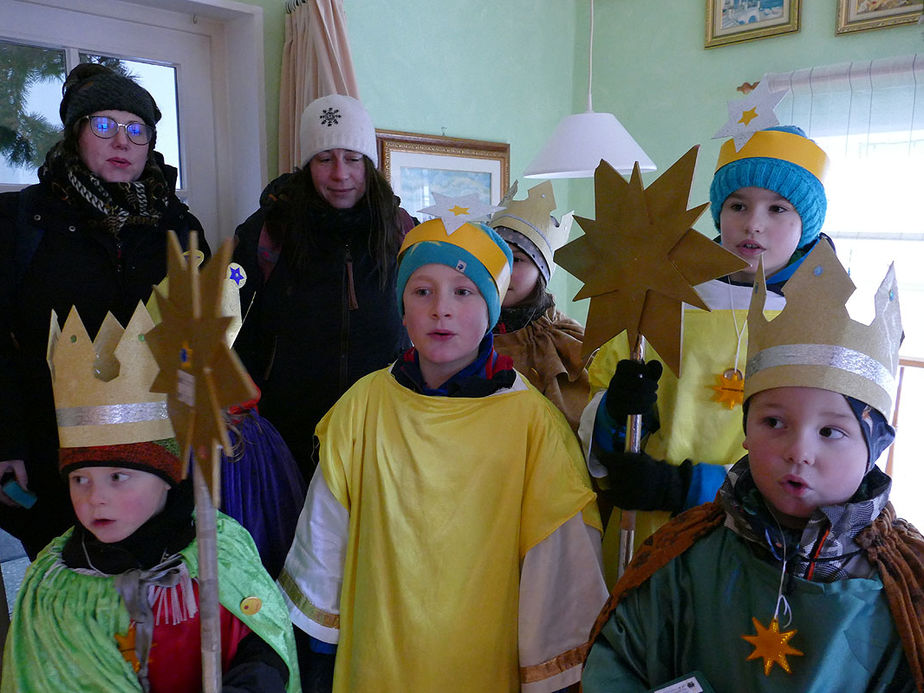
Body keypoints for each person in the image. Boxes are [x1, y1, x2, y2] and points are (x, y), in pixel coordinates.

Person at [278, 209, 608, 692]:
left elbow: (555, 556)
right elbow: (327, 527)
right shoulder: (364, 407)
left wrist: (548, 667)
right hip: (378, 651)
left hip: (481, 656)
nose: (441, 310)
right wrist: (321, 642)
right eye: (422, 291)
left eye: (463, 291)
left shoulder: (532, 424)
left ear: (492, 307)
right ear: (403, 307)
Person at [582, 242, 923, 692]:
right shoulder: (681, 556)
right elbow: (619, 662)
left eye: (831, 432)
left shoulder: (904, 583)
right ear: (746, 433)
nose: (798, 451)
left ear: (874, 447)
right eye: (774, 422)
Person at [1, 303, 299, 693]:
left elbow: (263, 644)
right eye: (79, 479)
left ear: (166, 480)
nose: (95, 497)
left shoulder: (220, 551)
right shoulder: (55, 589)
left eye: (118, 477)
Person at [584, 125, 832, 569]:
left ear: (807, 225)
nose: (753, 223)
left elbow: (825, 459)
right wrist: (616, 414)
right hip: (646, 530)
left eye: (778, 208)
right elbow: (600, 422)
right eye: (738, 205)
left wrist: (688, 488)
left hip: (752, 540)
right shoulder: (659, 296)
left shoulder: (821, 326)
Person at [0, 62, 207, 558]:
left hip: (156, 448)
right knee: (67, 578)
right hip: (55, 448)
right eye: (104, 126)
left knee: (154, 581)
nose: (121, 142)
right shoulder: (24, 222)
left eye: (136, 130)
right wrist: (7, 439)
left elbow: (200, 337)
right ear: (76, 133)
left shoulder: (177, 227)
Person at [232, 94, 413, 482]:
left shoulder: (400, 231)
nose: (340, 175)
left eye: (352, 158)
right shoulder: (268, 231)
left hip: (382, 431)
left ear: (369, 163)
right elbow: (233, 333)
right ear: (307, 165)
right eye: (324, 158)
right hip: (288, 437)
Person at [489, 180, 590, 435]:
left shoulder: (571, 343)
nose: (504, 269)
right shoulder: (465, 335)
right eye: (496, 255)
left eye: (518, 258)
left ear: (541, 273)